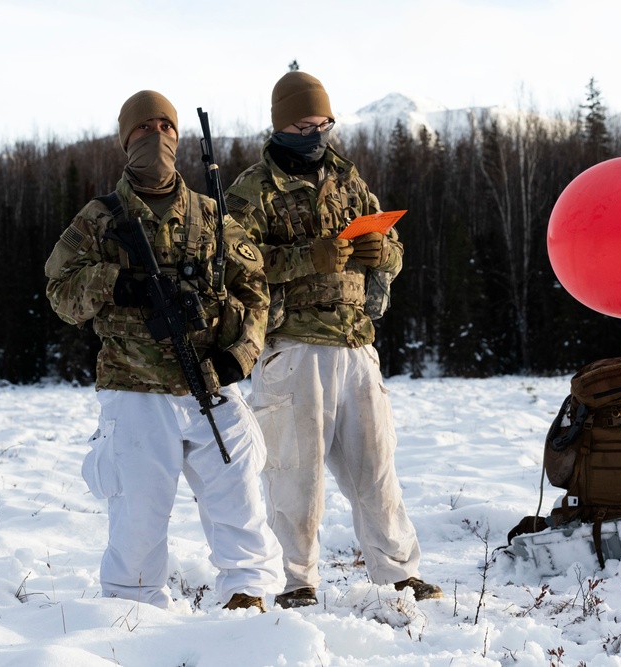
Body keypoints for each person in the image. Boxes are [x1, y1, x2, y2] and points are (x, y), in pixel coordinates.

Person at [44, 90, 285, 612]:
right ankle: (131, 614)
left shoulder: (212, 215)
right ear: (125, 140)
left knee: (240, 489)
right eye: (144, 129)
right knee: (138, 512)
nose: (157, 137)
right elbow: (59, 293)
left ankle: (249, 598)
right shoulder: (99, 219)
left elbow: (255, 290)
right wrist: (115, 284)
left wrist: (239, 356)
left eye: (166, 127)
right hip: (134, 387)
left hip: (210, 381)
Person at [224, 71, 441, 608]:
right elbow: (230, 266)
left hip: (356, 344)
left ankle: (397, 574)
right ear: (281, 125)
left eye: (323, 123)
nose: (316, 133)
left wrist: (381, 254)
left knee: (377, 470)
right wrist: (308, 258)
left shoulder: (348, 180)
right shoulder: (252, 191)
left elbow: (392, 246)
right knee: (294, 475)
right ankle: (294, 582)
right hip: (293, 348)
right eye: (303, 124)